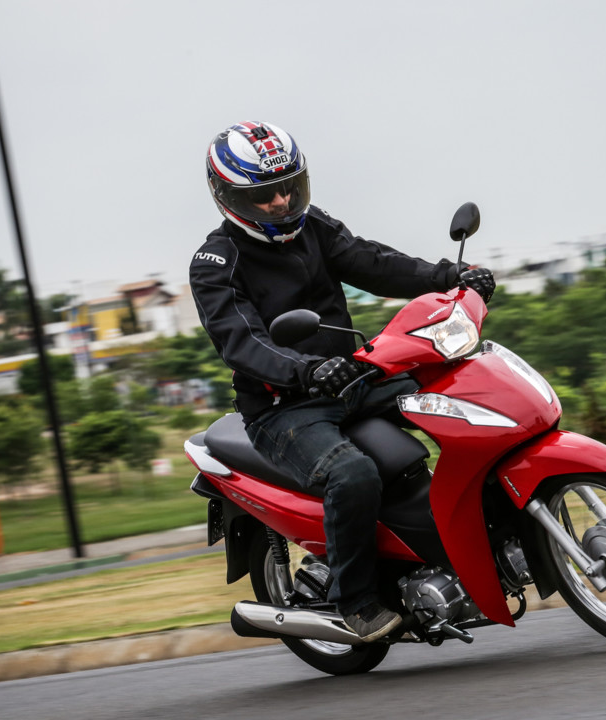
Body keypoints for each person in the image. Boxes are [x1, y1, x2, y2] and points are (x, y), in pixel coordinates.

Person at [190, 121, 494, 642]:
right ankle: (352, 603)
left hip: (353, 378)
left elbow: (373, 263)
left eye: (292, 186)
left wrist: (450, 277)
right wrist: (304, 369)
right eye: (265, 194)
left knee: (466, 401)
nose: (283, 201)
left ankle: (478, 543)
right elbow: (243, 341)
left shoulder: (314, 227)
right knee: (352, 474)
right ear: (228, 196)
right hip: (284, 406)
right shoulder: (216, 263)